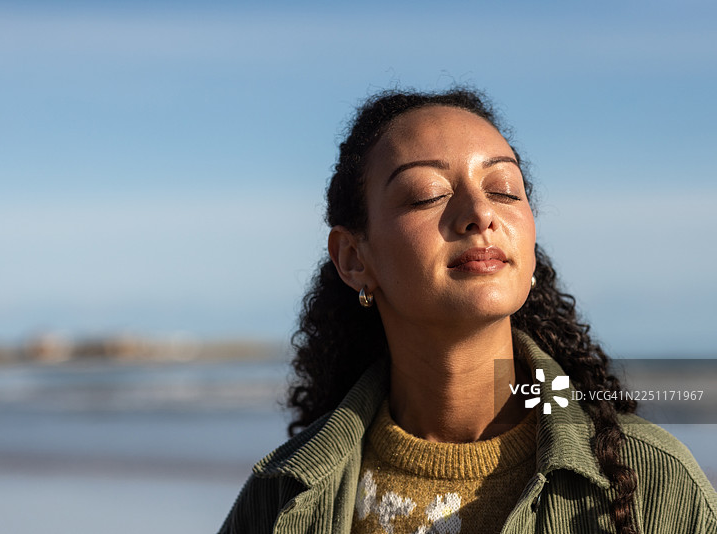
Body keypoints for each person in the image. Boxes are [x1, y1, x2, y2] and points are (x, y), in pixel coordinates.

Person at [219, 88, 716, 534]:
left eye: (503, 190)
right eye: (427, 194)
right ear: (353, 258)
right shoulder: (282, 497)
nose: (481, 213)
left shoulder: (651, 484)